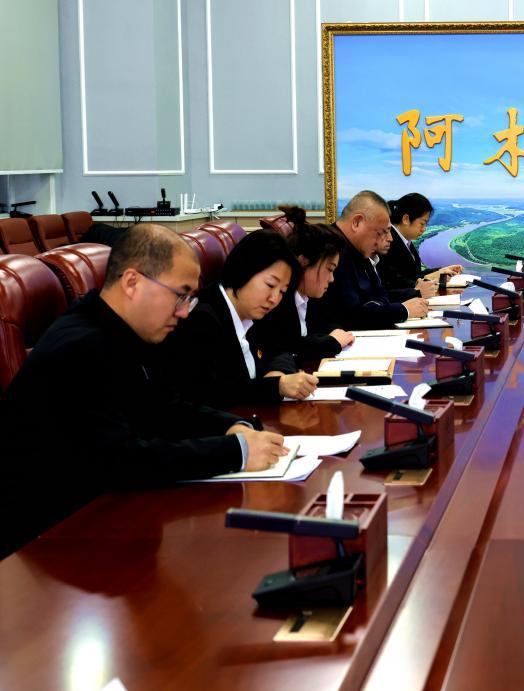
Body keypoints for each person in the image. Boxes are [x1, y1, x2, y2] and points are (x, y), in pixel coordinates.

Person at [0, 224, 286, 557]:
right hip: (50, 540)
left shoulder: (124, 332)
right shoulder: (82, 347)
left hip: (102, 515)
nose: (184, 311)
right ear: (132, 282)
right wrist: (235, 452)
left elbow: (163, 407)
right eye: (180, 295)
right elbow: (121, 461)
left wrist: (231, 426)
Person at [164, 230, 319, 409]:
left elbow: (279, 349)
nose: (274, 298)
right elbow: (208, 394)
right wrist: (276, 386)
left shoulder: (253, 311)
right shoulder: (202, 320)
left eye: (282, 291)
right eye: (270, 285)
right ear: (244, 269)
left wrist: (278, 373)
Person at [249, 206, 356, 367]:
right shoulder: (277, 301)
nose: (332, 279)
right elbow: (284, 346)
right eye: (329, 269)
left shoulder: (310, 296)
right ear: (303, 261)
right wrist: (330, 342)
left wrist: (334, 334)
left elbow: (327, 323)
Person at [311, 190, 429, 330]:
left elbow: (380, 296)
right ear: (357, 222)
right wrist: (403, 310)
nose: (387, 239)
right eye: (380, 232)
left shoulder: (359, 249)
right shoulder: (330, 248)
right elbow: (351, 315)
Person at [377, 193, 462, 301]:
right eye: (422, 223)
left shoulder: (406, 241)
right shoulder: (388, 244)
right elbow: (395, 282)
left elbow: (414, 274)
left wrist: (441, 271)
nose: (424, 229)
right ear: (406, 219)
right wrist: (431, 278)